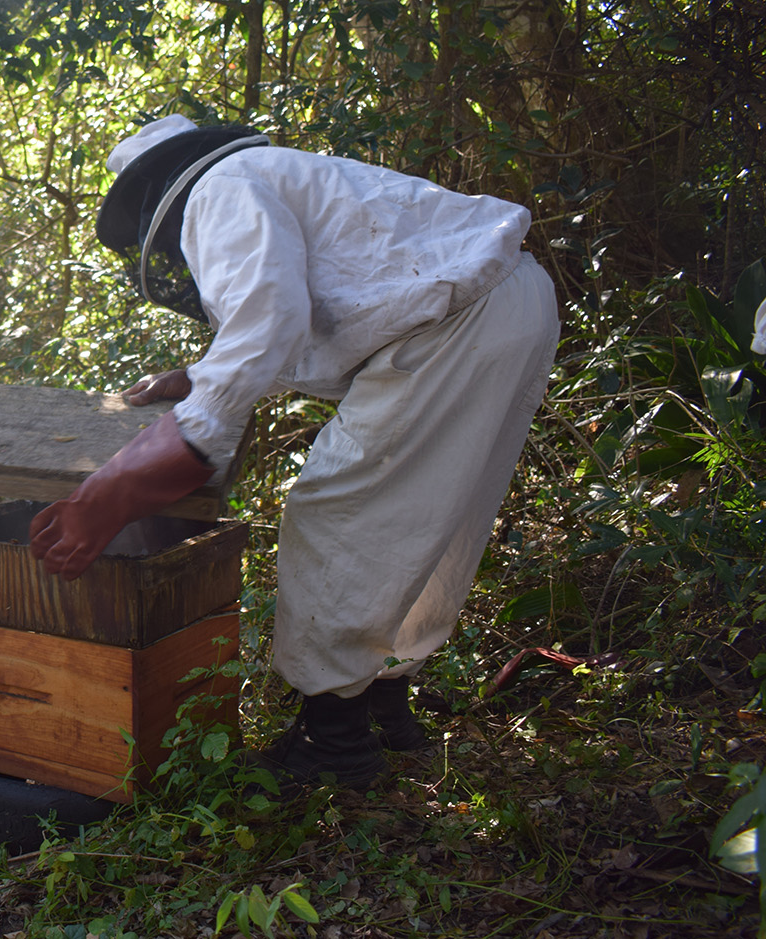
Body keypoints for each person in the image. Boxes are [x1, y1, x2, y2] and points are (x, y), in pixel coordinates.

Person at [29, 115, 560, 788]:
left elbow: (268, 316)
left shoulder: (220, 189)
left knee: (338, 510)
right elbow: (332, 307)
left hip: (459, 323)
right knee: (433, 514)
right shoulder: (272, 177)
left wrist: (145, 467)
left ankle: (335, 743)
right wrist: (202, 375)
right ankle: (384, 707)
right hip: (511, 301)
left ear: (159, 196)